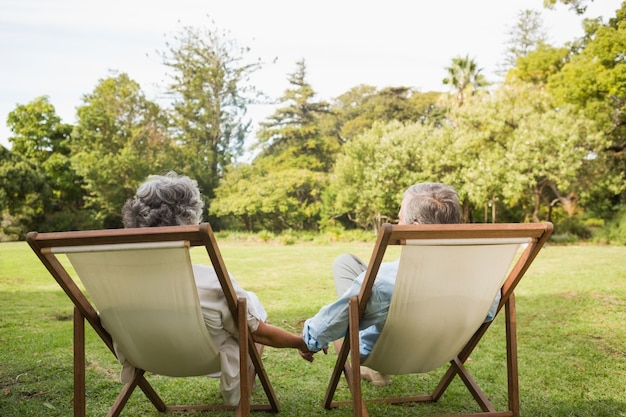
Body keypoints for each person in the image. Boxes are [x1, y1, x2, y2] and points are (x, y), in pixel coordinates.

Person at [122, 171, 312, 406]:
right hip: (207, 357)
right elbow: (258, 333)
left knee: (246, 306)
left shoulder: (119, 283)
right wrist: (301, 342)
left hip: (146, 355)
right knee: (250, 309)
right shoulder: (212, 283)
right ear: (190, 220)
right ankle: (243, 385)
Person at [299, 182, 501, 386]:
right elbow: (488, 314)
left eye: (400, 218)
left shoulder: (383, 283)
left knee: (359, 293)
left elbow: (325, 327)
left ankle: (371, 368)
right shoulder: (485, 283)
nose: (397, 222)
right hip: (441, 351)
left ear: (414, 229)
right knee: (346, 263)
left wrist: (310, 339)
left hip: (381, 353)